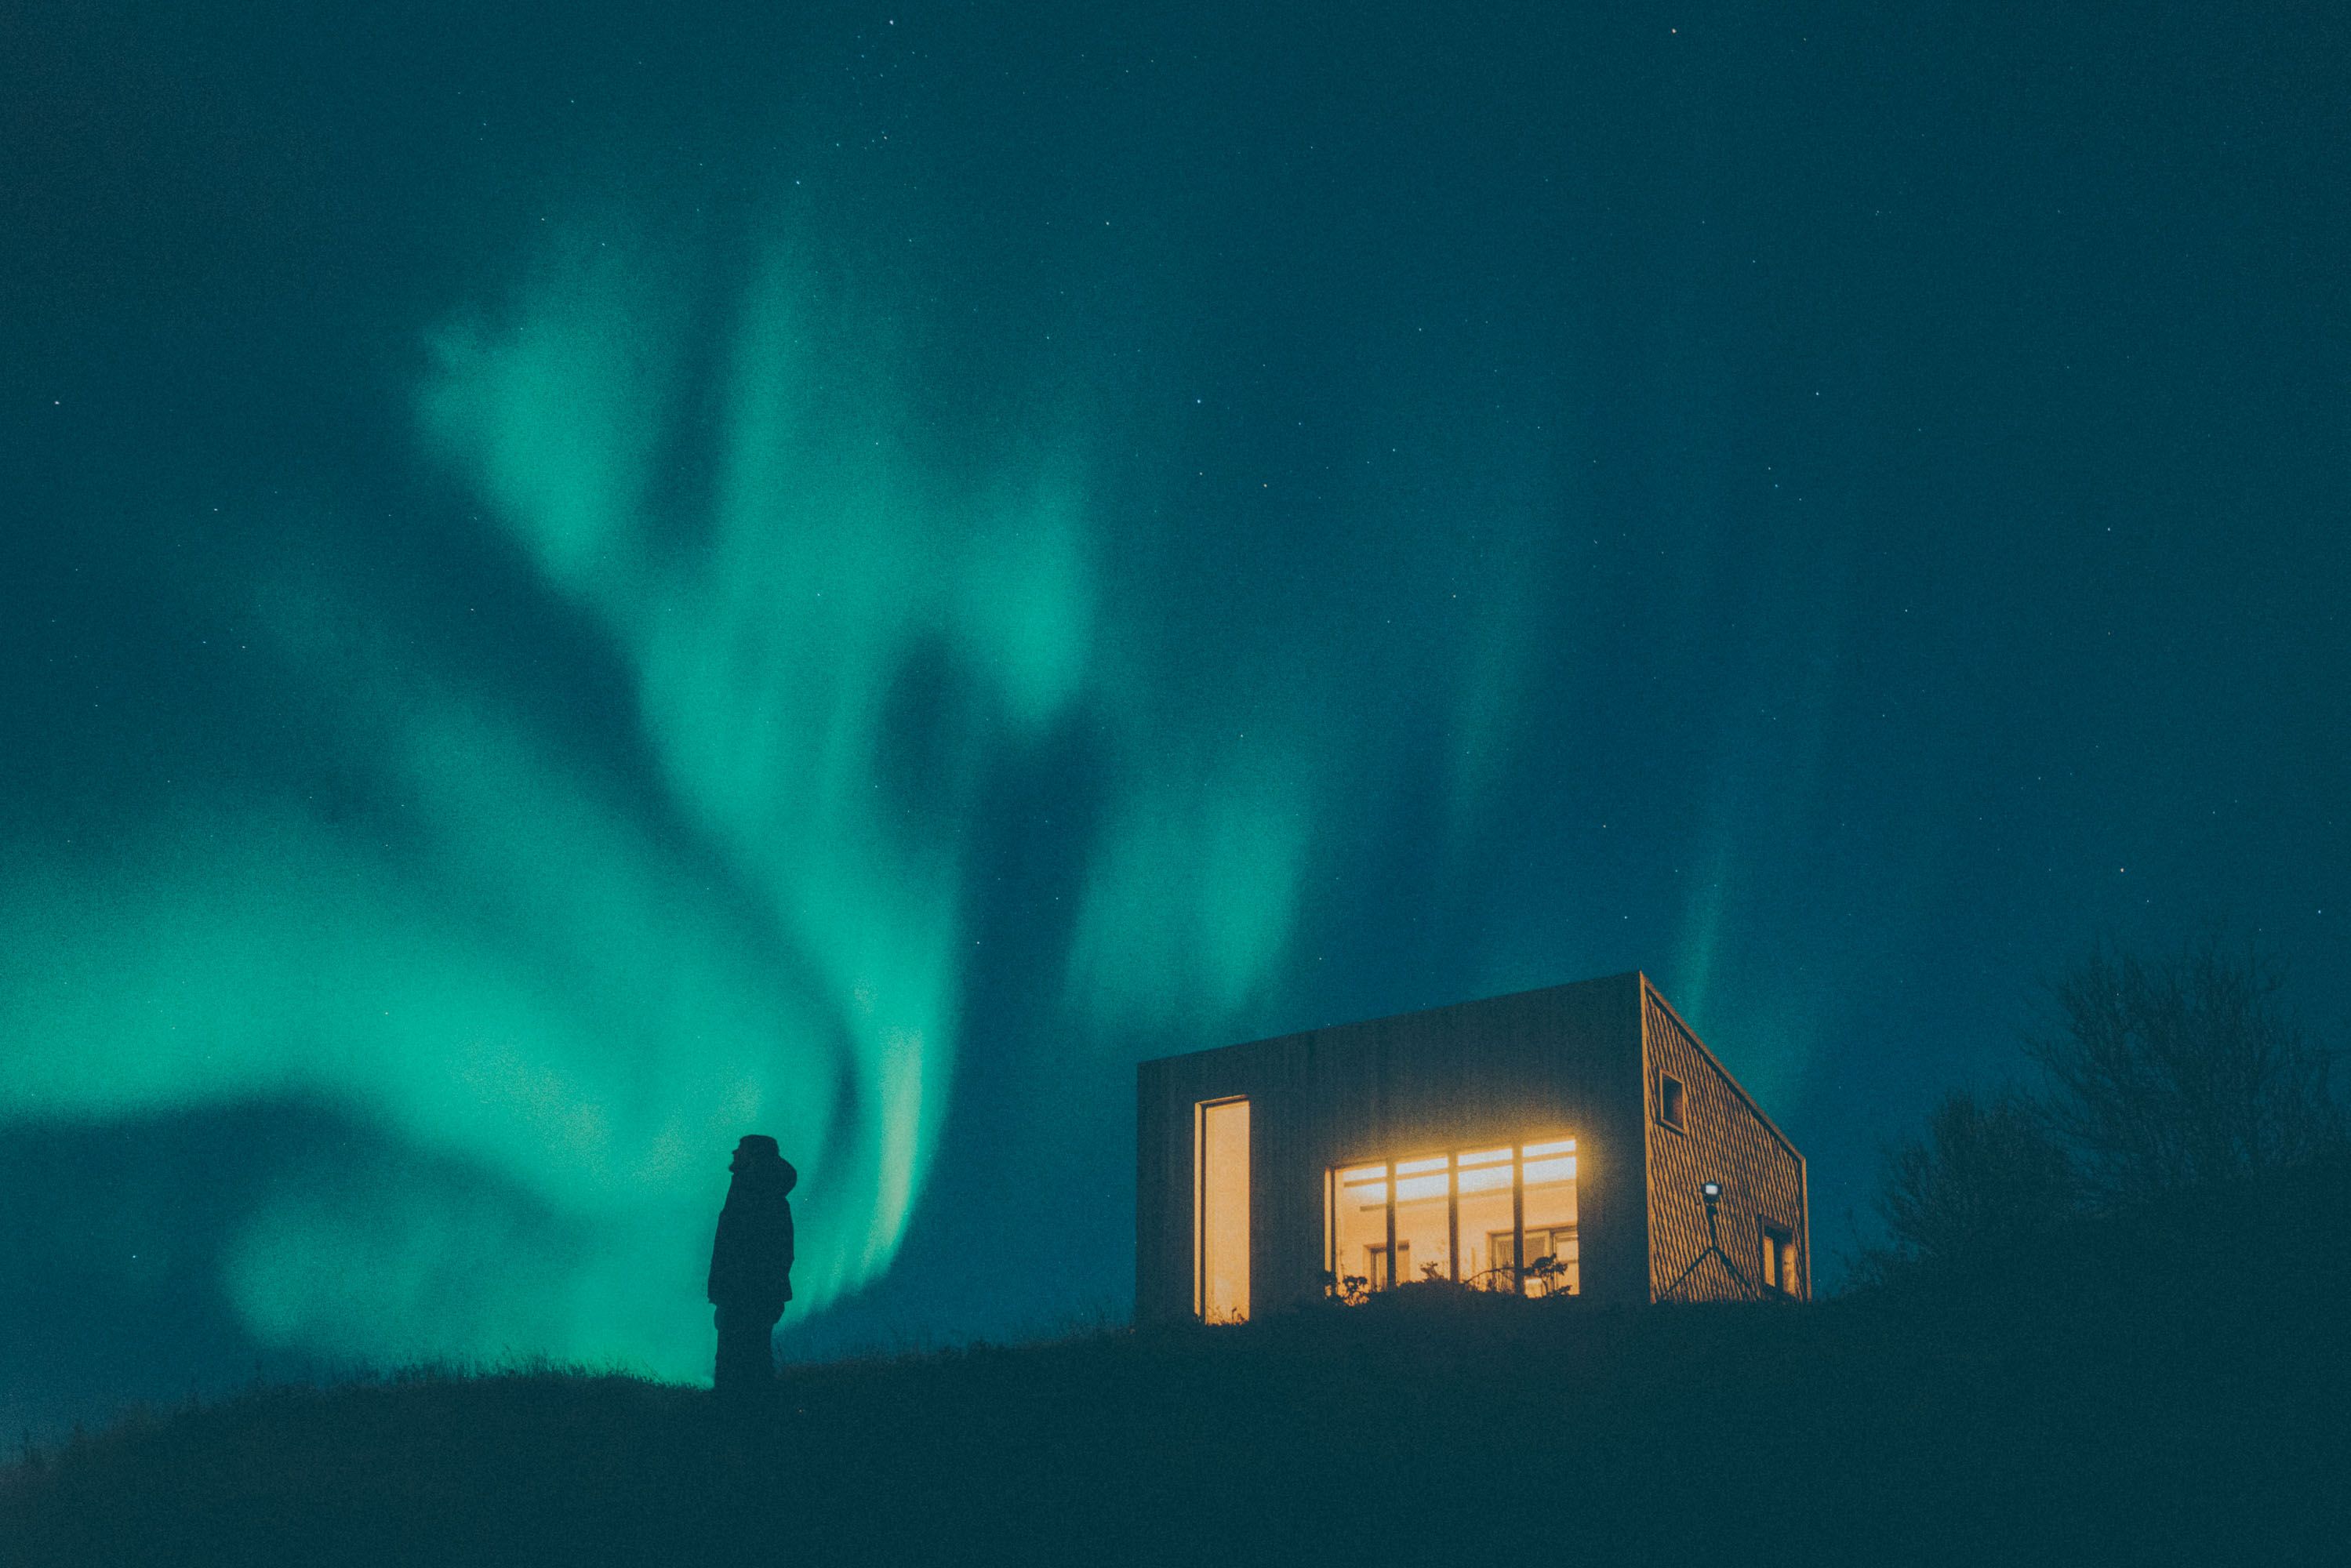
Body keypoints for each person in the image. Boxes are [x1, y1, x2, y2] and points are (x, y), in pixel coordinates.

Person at [707, 1134, 796, 1399]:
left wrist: (730, 1291)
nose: (734, 1152)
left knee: (741, 1362)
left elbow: (749, 1250)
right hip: (749, 1293)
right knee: (750, 1361)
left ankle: (740, 1422)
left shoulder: (755, 1196)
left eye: (741, 1149)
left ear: (755, 1155)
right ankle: (750, 1419)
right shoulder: (756, 1193)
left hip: (746, 1294)